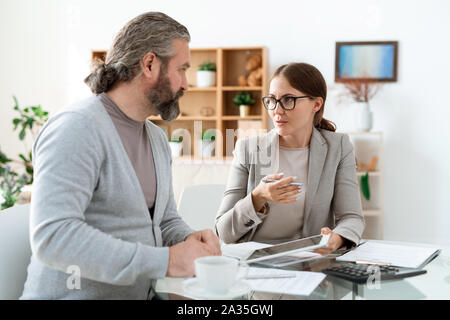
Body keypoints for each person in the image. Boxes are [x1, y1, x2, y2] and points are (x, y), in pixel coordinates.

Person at [21, 12, 220, 300]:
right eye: (182, 69)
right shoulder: (77, 127)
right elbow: (54, 237)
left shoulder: (156, 139)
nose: (186, 84)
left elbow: (163, 220)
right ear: (150, 64)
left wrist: (188, 238)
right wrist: (167, 261)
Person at [215, 62, 365, 254]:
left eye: (288, 100)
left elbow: (352, 217)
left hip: (311, 262)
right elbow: (223, 232)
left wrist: (336, 239)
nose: (276, 110)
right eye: (272, 100)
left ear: (316, 104)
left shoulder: (338, 147)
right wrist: (257, 197)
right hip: (256, 264)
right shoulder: (248, 149)